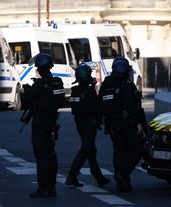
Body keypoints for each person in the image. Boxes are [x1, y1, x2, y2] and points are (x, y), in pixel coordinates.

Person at [98, 57, 145, 193]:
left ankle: (122, 182)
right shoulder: (127, 86)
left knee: (119, 150)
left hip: (112, 124)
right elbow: (133, 107)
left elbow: (100, 104)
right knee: (138, 148)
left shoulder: (106, 85)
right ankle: (123, 173)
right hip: (127, 122)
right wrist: (138, 124)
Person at [23, 53, 66, 198]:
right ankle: (52, 187)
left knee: (41, 157)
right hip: (52, 122)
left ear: (40, 69)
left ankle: (43, 188)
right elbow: (61, 101)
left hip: (40, 123)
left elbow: (27, 102)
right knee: (51, 155)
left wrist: (29, 90)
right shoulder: (57, 82)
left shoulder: (39, 85)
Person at [65, 64, 110, 188]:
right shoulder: (89, 91)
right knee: (86, 149)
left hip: (79, 123)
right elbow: (95, 108)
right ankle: (72, 175)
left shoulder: (75, 91)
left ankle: (99, 177)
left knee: (91, 150)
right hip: (89, 124)